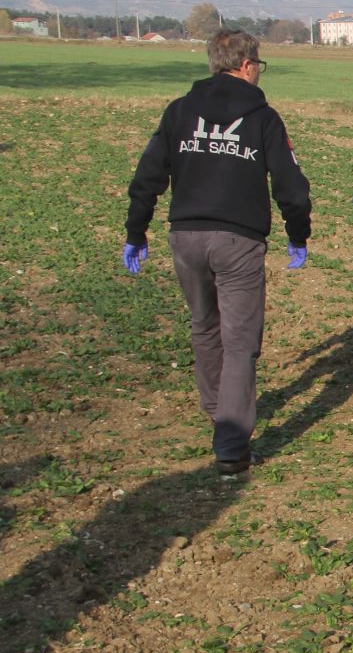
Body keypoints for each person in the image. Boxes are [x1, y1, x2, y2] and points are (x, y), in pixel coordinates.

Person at [125, 28, 312, 476]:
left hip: (185, 236)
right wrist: (298, 233)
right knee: (241, 340)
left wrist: (137, 230)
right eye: (258, 65)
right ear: (247, 65)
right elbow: (290, 185)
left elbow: (149, 174)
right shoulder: (264, 118)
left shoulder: (178, 111)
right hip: (238, 241)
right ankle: (231, 445)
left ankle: (217, 408)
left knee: (204, 325)